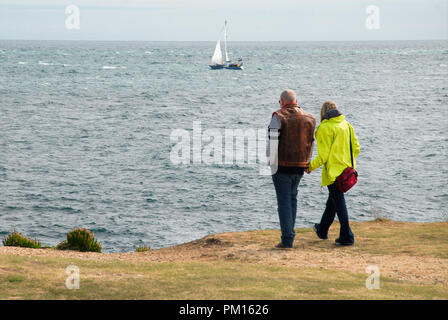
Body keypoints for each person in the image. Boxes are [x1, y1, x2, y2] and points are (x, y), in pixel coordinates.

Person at [306, 101, 360, 246]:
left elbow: (323, 156)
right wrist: (347, 162)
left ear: (323, 113)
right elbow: (356, 148)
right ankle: (322, 230)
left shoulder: (324, 128)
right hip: (348, 170)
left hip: (334, 172)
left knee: (339, 202)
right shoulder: (346, 125)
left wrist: (310, 166)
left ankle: (347, 236)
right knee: (333, 202)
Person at [267, 89, 316, 249]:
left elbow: (272, 140)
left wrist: (270, 160)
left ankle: (287, 239)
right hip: (300, 165)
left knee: (284, 202)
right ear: (296, 100)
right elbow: (311, 142)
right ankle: (290, 235)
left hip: (282, 165)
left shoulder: (278, 116)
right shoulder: (310, 118)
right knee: (292, 199)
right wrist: (307, 161)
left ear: (282, 101)